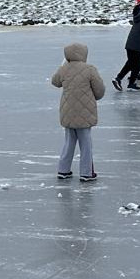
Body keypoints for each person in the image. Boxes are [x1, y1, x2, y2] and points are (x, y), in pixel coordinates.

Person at [51, 41, 105, 181]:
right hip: (85, 113)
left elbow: (55, 82)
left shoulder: (64, 69)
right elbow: (99, 91)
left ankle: (63, 170)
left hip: (67, 112)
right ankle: (86, 173)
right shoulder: (89, 69)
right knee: (86, 144)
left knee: (69, 142)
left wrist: (63, 65)